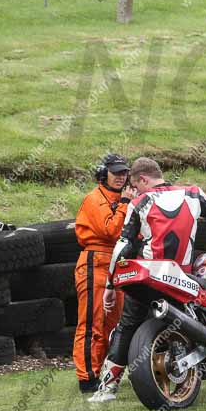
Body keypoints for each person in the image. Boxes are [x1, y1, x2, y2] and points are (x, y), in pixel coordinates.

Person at [88, 157, 206, 403]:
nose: (134, 191)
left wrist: (109, 287)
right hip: (182, 280)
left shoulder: (139, 202)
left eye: (135, 186)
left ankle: (107, 388)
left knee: (126, 326)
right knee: (191, 317)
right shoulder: (193, 194)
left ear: (143, 179)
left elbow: (122, 246)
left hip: (149, 276)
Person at [73, 154, 136, 393]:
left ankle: (108, 373)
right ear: (104, 173)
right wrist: (125, 205)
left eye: (124, 173)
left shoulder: (124, 198)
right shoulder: (94, 198)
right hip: (95, 262)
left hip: (117, 263)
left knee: (115, 323)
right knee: (92, 323)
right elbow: (110, 230)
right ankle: (87, 377)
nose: (121, 177)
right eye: (116, 172)